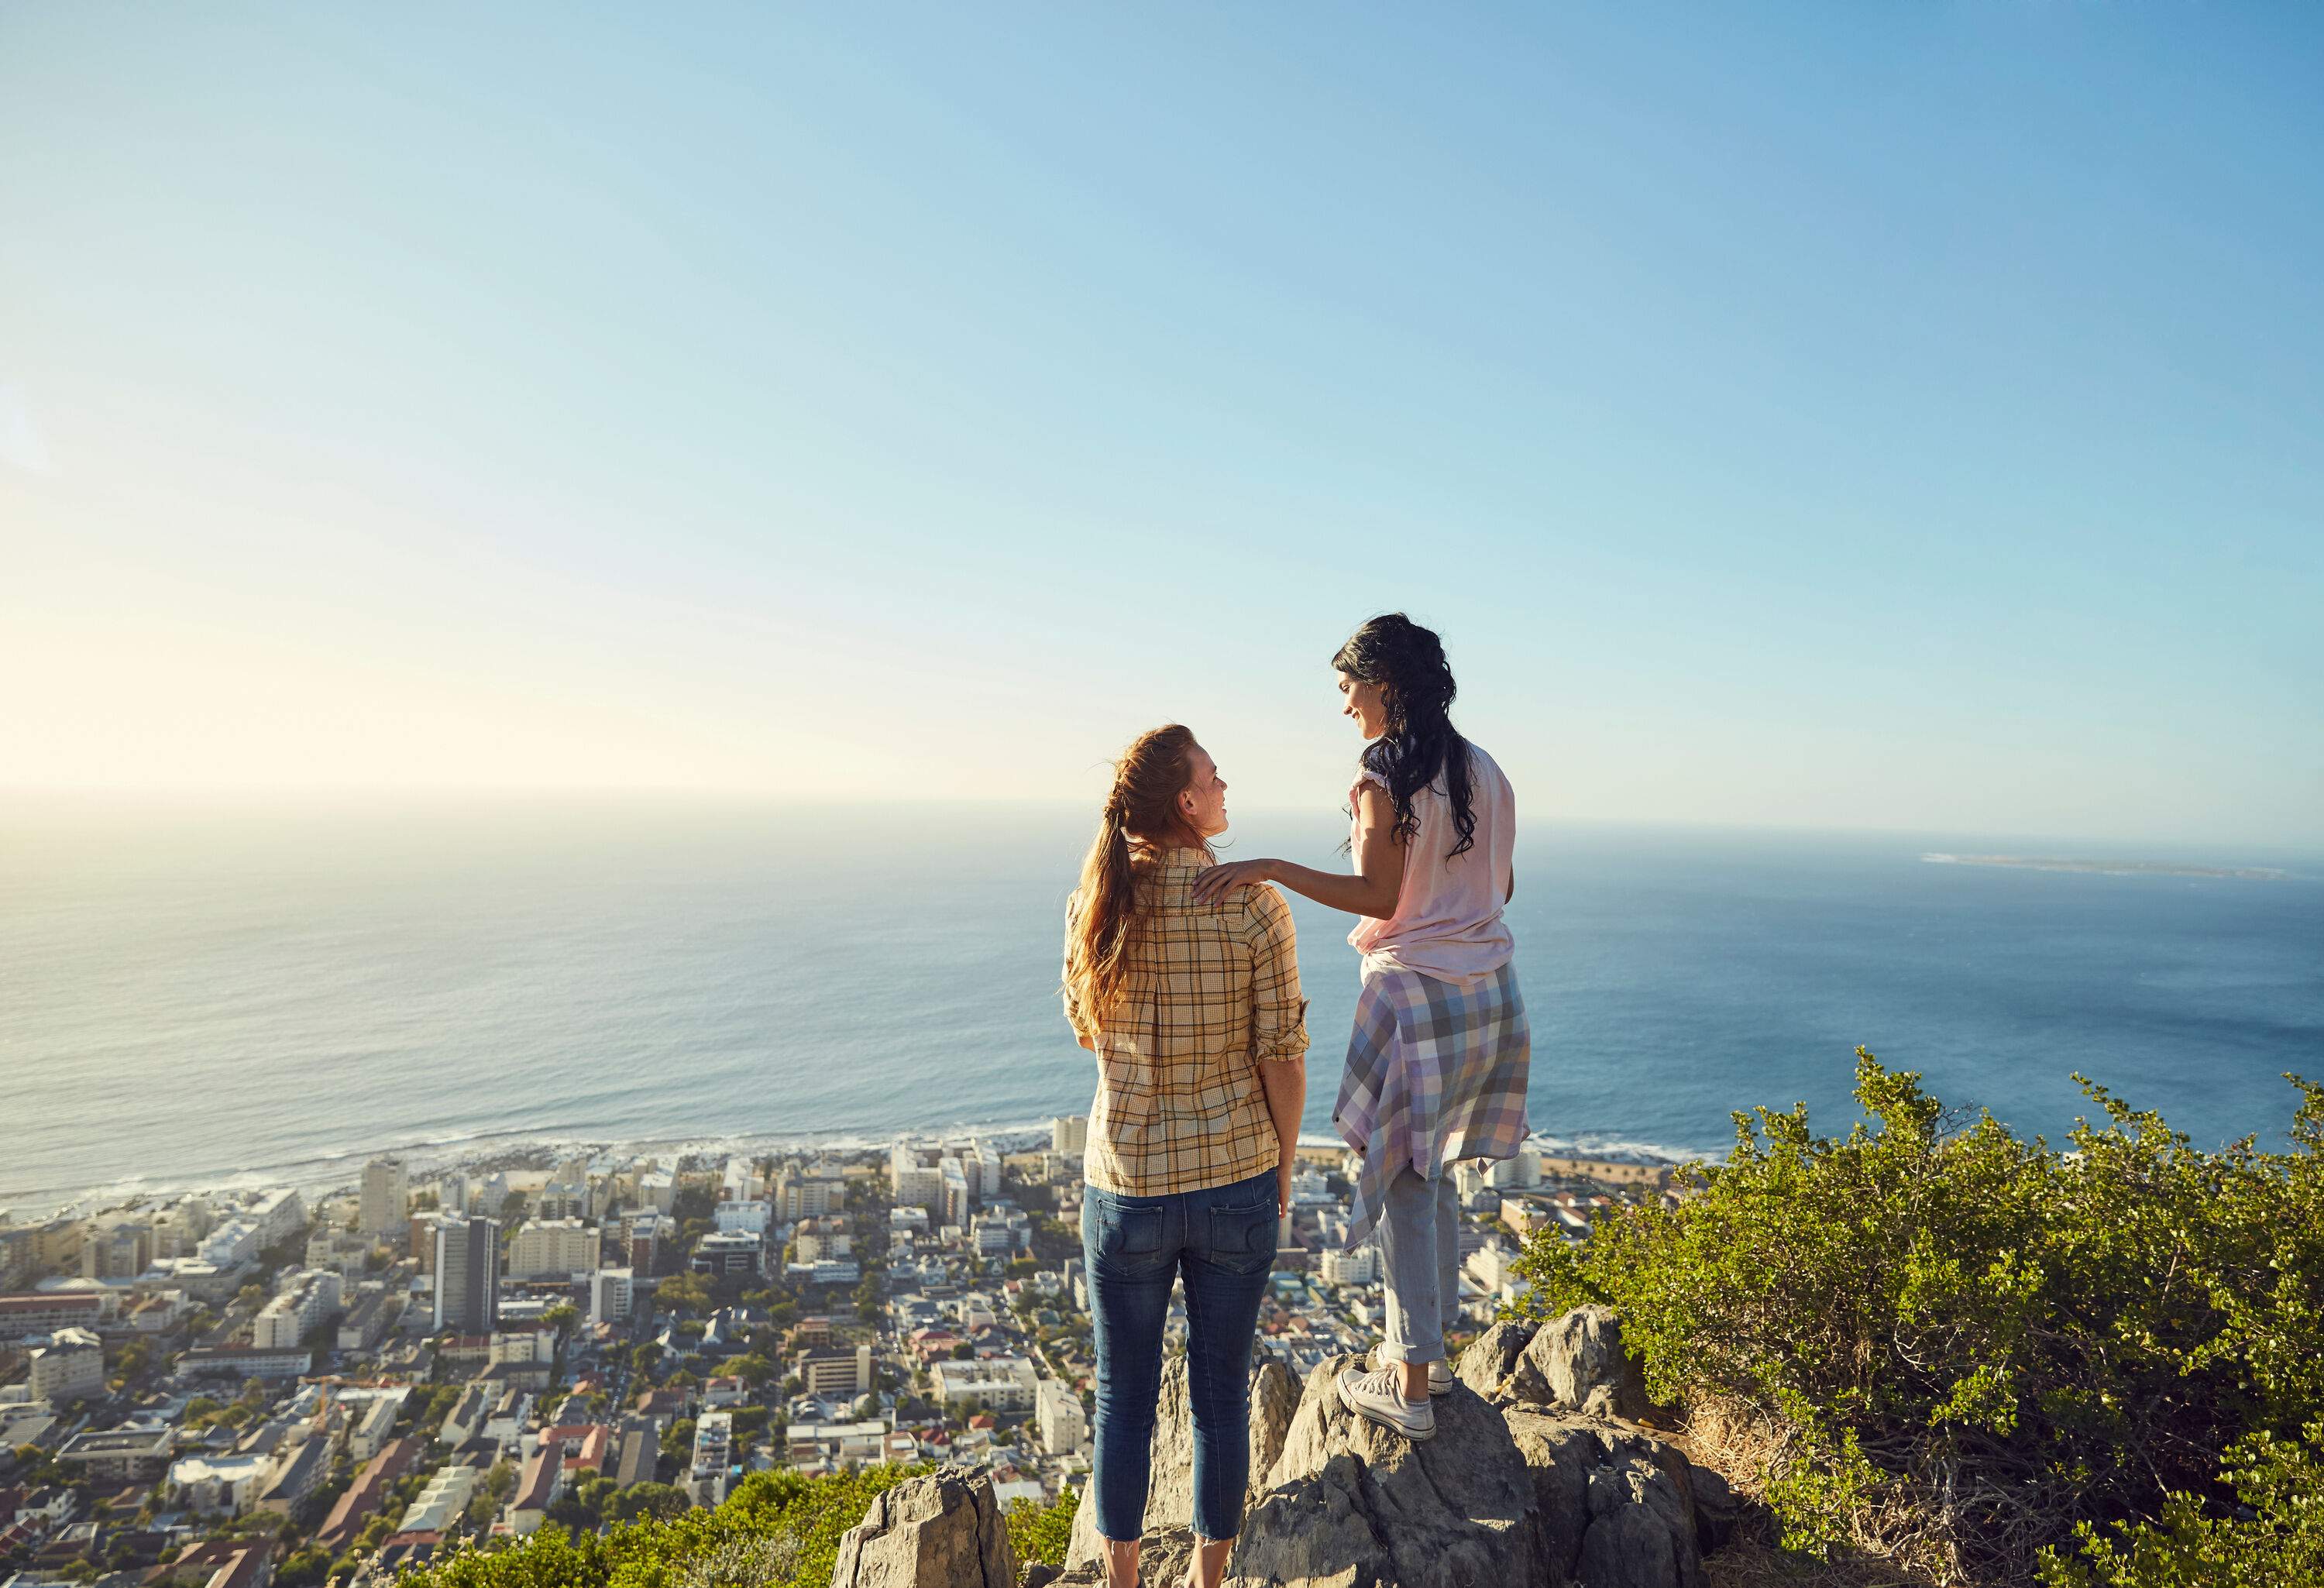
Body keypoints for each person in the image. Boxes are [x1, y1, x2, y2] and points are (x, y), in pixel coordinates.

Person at [1195, 614, 1529, 1442]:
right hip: (1491, 993)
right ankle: (1431, 1355)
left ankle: (1408, 1386)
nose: (1345, 705)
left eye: (1348, 688)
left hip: (1413, 993)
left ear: (1385, 685)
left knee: (1402, 1182)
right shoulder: (1484, 769)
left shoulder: (1383, 772)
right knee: (1435, 1167)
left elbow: (1379, 898)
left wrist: (1270, 866)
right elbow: (1504, 885)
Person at [1063, 724, 1309, 1588]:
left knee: (1121, 1399)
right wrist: (1281, 1165)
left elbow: (1085, 1026)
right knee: (1219, 1397)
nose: (1225, 782)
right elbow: (1282, 1052)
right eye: (1213, 774)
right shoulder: (1252, 906)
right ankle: (1211, 1579)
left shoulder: (1099, 899)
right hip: (1235, 1178)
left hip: (1126, 1183)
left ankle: (1122, 1580)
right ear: (1186, 802)